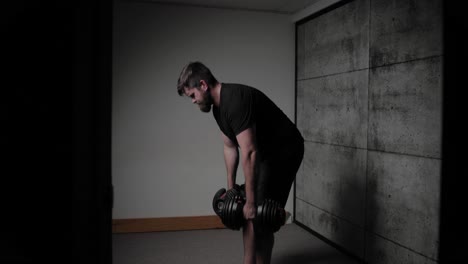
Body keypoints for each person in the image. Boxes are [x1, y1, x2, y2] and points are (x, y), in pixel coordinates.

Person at [177, 61, 304, 264]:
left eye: (192, 95)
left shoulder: (235, 100)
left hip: (284, 150)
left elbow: (250, 152)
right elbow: (230, 148)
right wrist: (232, 192)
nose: (193, 101)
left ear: (203, 85)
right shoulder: (218, 109)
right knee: (246, 208)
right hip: (262, 153)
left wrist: (252, 203)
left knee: (260, 214)